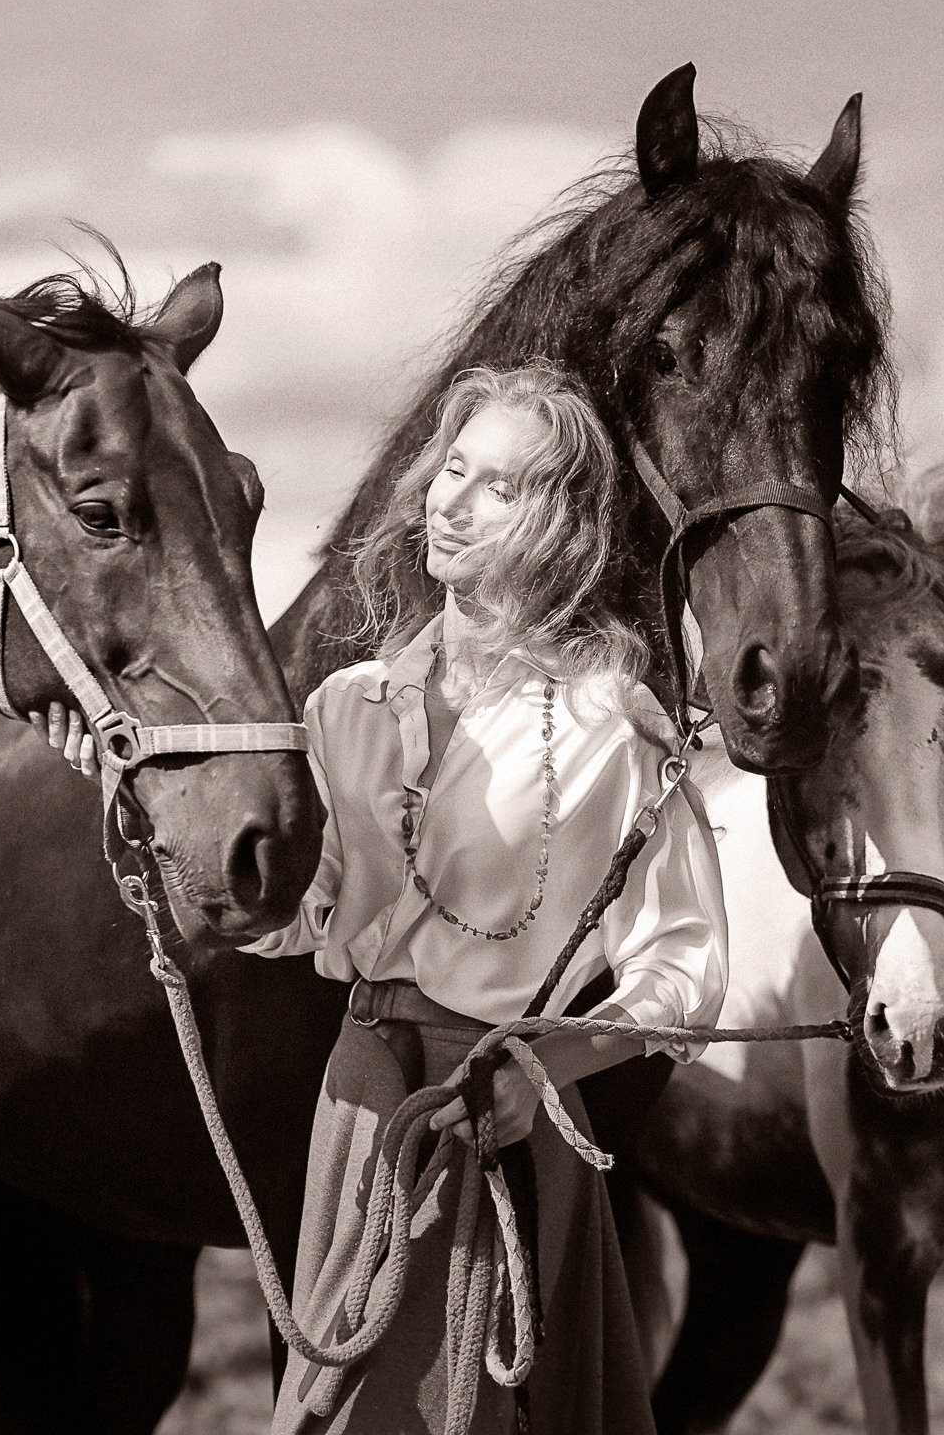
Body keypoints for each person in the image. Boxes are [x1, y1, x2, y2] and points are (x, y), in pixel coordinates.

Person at [252, 360, 727, 1435]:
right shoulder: (347, 705)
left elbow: (685, 970)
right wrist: (185, 876)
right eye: (450, 469)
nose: (452, 501)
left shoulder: (615, 720)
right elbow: (302, 917)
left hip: (500, 1109)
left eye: (499, 486)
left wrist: (549, 1066)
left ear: (557, 524)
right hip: (367, 1103)